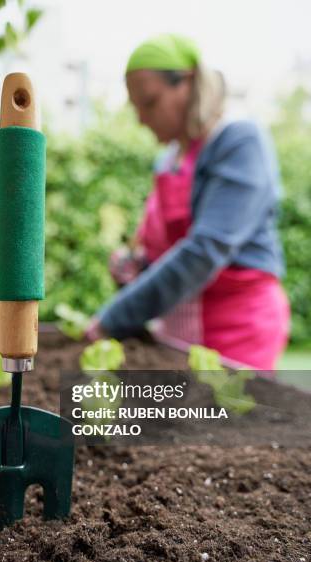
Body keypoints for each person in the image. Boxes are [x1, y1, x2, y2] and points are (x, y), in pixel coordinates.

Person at [85, 33, 290, 370]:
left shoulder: (239, 143)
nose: (141, 119)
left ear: (189, 84)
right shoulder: (168, 161)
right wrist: (137, 264)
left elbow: (205, 250)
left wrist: (115, 317)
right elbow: (164, 251)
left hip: (236, 330)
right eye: (135, 107)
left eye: (149, 102)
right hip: (179, 330)